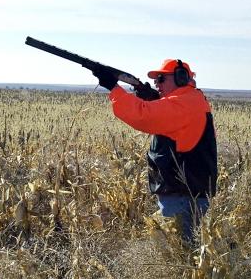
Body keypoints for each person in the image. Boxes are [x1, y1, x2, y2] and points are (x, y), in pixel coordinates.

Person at [93, 59, 218, 243]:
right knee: (185, 249)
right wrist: (154, 98)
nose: (156, 84)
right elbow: (167, 115)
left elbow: (141, 115)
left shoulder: (185, 104)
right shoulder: (192, 100)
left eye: (161, 79)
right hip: (186, 193)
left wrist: (113, 87)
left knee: (180, 252)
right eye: (155, 81)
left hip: (183, 196)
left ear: (181, 78)